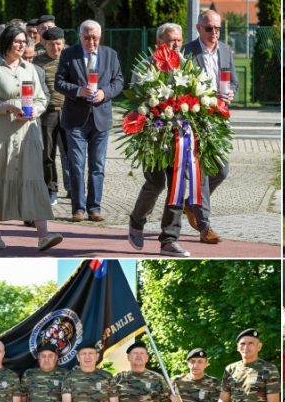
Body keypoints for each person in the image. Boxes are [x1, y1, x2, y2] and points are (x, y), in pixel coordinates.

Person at [0, 26, 64, 251]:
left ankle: (43, 235)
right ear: (7, 42)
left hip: (27, 134)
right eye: (18, 41)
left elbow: (41, 99)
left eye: (24, 42)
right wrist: (7, 107)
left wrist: (35, 112)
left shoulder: (31, 69)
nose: (22, 45)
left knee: (34, 180)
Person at [128, 23, 196, 257]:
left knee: (178, 185)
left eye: (178, 40)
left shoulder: (187, 66)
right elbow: (137, 100)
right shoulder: (145, 66)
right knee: (156, 183)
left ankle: (169, 239)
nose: (175, 44)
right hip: (154, 134)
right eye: (170, 40)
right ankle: (137, 220)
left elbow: (196, 94)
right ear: (158, 42)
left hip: (180, 135)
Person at [56, 19, 124, 222]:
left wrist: (105, 92)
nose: (91, 42)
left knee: (97, 166)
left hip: (101, 118)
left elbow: (119, 80)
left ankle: (94, 208)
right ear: (80, 37)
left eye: (94, 37)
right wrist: (77, 90)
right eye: (87, 37)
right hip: (76, 119)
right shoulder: (69, 55)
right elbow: (59, 82)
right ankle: (78, 208)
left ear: (100, 37)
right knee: (77, 164)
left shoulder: (110, 55)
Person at [181, 10, 237, 245]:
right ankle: (205, 227)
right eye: (209, 28)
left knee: (221, 170)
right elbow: (181, 85)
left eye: (217, 28)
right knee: (200, 174)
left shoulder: (225, 50)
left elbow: (233, 80)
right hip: (195, 118)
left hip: (218, 119)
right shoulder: (187, 51)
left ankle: (191, 205)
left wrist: (232, 92)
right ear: (198, 28)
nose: (214, 32)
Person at [35, 27, 70, 204]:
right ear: (44, 44)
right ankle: (51, 189)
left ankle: (74, 189)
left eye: (58, 44)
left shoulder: (70, 59)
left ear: (63, 43)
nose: (55, 48)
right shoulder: (37, 62)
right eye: (50, 44)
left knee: (72, 154)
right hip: (47, 113)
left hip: (69, 112)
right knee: (47, 154)